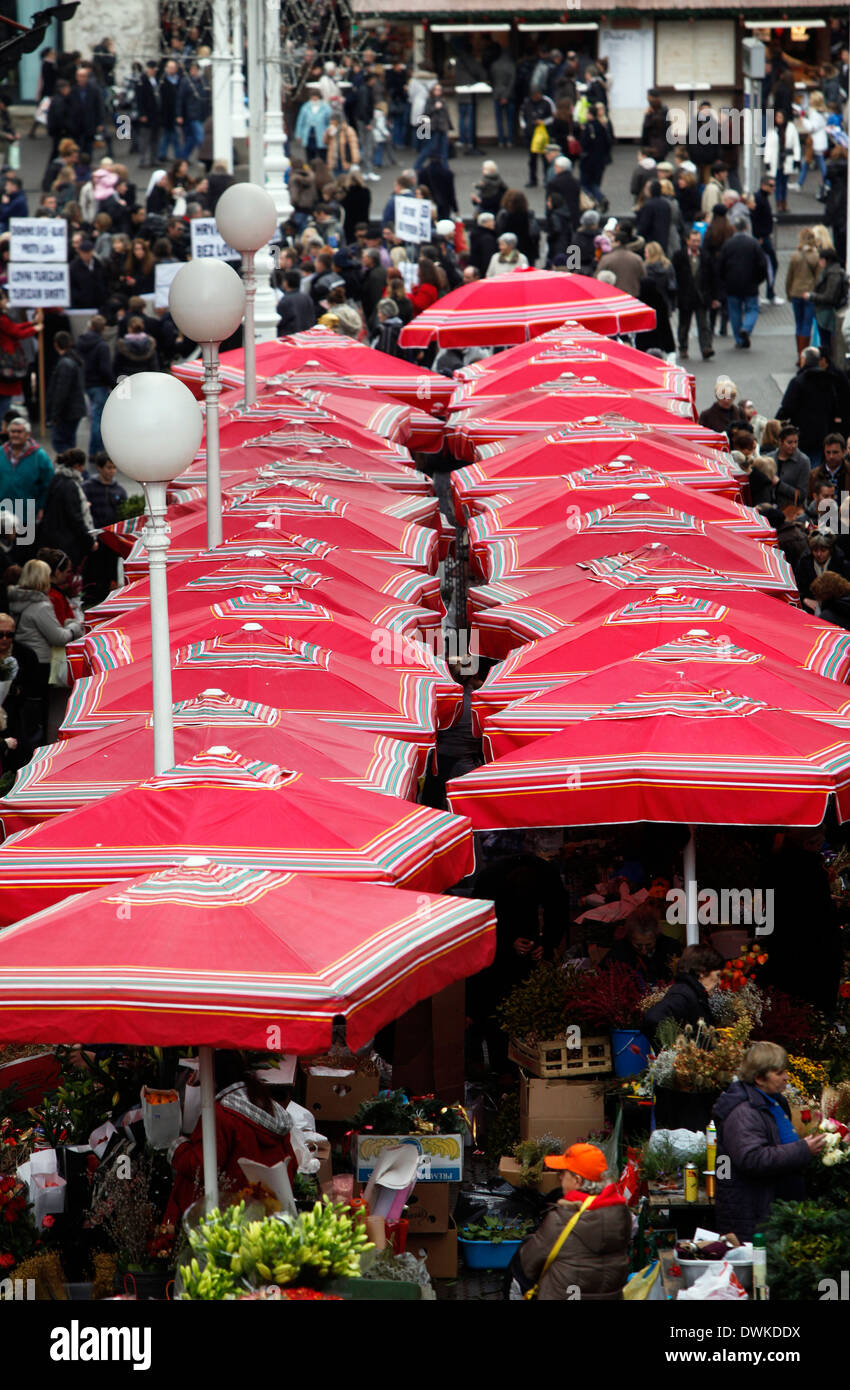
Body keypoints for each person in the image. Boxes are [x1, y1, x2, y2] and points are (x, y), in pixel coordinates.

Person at [164, 1051, 297, 1227]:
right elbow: (292, 1163)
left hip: (234, 1208)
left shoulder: (221, 1115)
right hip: (271, 1203)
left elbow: (202, 1166)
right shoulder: (265, 1102)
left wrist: (177, 1147)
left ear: (214, 1080)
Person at [712, 1042, 825, 1242]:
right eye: (779, 1072)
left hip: (772, 1205)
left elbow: (777, 1142)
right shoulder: (743, 1113)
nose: (787, 1077)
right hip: (752, 1213)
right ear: (759, 1078)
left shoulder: (773, 1101)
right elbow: (752, 1158)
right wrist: (802, 1149)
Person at [511, 1143, 630, 1301]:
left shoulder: (562, 1220)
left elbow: (529, 1266)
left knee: (517, 1267)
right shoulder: (621, 1214)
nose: (559, 1177)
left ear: (577, 1180)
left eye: (563, 1172)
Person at [6, 557, 84, 735]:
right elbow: (58, 637)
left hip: (20, 658)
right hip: (39, 663)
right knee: (39, 711)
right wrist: (73, 626)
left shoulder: (14, 600)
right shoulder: (41, 606)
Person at [778, 345, 850, 469]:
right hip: (823, 432)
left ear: (804, 360)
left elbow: (787, 407)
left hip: (803, 433)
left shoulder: (798, 381)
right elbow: (835, 406)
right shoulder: (829, 380)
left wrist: (776, 422)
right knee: (816, 464)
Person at [643, 944, 724, 1036]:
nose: (719, 982)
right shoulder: (683, 993)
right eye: (717, 975)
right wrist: (673, 1045)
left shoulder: (692, 993)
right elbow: (653, 1018)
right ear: (702, 972)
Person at [38, 447, 97, 568]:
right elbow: (75, 518)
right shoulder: (71, 486)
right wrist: (90, 541)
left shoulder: (56, 479)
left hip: (52, 538)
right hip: (67, 543)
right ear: (77, 466)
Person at [717, 218, 767, 349]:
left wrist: (724, 281)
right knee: (752, 308)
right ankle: (746, 328)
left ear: (734, 228)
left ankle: (739, 340)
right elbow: (762, 265)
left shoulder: (728, 244)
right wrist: (759, 280)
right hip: (750, 283)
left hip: (732, 284)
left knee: (735, 311)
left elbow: (720, 265)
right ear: (745, 228)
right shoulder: (753, 243)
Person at [0, 416, 52, 530]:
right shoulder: (1, 453)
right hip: (3, 511)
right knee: (5, 545)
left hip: (27, 512)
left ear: (28, 434)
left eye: (19, 431)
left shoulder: (39, 456)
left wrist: (43, 507)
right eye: (13, 431)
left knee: (25, 544)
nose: (15, 435)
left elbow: (48, 484)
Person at [75, 314, 114, 459]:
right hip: (98, 384)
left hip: (85, 383)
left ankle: (94, 451)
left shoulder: (79, 342)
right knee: (99, 419)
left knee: (93, 418)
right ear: (102, 329)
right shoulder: (102, 346)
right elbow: (105, 369)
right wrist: (112, 383)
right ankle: (96, 452)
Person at [673, 228, 713, 361]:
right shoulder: (679, 256)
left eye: (698, 241)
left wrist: (714, 296)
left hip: (702, 296)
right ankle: (683, 347)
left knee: (704, 324)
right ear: (687, 240)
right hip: (685, 297)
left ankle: (706, 347)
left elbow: (713, 277)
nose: (696, 243)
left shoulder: (706, 256)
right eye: (694, 241)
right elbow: (675, 276)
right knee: (684, 324)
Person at [45, 333, 86, 454]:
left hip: (66, 411)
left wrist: (54, 414)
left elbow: (61, 392)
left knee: (60, 443)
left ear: (56, 344)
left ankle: (72, 467)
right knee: (69, 442)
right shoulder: (74, 360)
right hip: (74, 409)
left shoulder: (64, 364)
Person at [804, 246, 846, 362]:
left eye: (821, 259)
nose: (819, 261)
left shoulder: (833, 274)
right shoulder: (830, 271)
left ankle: (827, 363)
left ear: (826, 260)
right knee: (826, 341)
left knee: (827, 342)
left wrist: (812, 296)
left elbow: (830, 296)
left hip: (827, 313)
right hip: (824, 312)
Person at [786, 227, 821, 359]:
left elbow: (789, 277)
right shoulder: (816, 256)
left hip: (795, 292)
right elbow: (818, 278)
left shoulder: (795, 255)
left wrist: (788, 292)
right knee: (807, 325)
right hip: (809, 294)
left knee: (798, 324)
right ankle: (803, 356)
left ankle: (798, 353)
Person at [65, 63, 106, 159]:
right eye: (80, 76)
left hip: (90, 124)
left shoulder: (94, 90)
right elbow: (68, 108)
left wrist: (99, 123)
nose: (82, 78)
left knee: (88, 147)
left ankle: (87, 164)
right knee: (76, 148)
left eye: (84, 76)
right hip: (76, 125)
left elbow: (99, 107)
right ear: (76, 77)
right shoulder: (73, 91)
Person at [795, 531, 849, 602]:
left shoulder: (842, 564)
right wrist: (804, 599)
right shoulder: (803, 563)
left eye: (823, 550)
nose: (819, 554)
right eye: (815, 550)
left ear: (830, 550)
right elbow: (798, 586)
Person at [763, 109, 800, 212]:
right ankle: (779, 202)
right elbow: (768, 146)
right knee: (777, 182)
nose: (778, 119)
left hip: (786, 158)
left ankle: (784, 202)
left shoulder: (791, 128)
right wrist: (767, 161)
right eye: (777, 117)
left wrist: (797, 159)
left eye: (780, 117)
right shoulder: (773, 130)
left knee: (784, 183)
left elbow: (796, 144)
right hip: (776, 160)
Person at [766, 422, 812, 505]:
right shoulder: (769, 458)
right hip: (769, 506)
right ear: (780, 442)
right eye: (790, 442)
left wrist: (779, 484)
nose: (793, 445)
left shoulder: (803, 461)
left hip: (790, 509)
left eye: (796, 442)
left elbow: (801, 495)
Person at [519, 87, 555, 189]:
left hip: (544, 135)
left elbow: (553, 116)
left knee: (546, 158)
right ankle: (532, 179)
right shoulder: (526, 103)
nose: (535, 98)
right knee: (532, 159)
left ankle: (547, 180)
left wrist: (543, 122)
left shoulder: (547, 102)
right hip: (531, 135)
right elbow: (522, 117)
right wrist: (525, 127)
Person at [579, 105, 612, 210]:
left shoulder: (587, 127)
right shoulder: (601, 126)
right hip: (600, 161)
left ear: (590, 114)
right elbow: (608, 142)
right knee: (595, 183)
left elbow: (584, 143)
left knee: (584, 184)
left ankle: (591, 201)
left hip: (588, 161)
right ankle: (600, 198)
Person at [495, 189, 539, 265]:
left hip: (508, 250)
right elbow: (535, 234)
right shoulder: (529, 215)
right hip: (527, 250)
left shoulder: (504, 215)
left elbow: (498, 231)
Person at [294, 88, 332, 163]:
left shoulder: (326, 108)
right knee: (309, 155)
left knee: (322, 155)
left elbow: (329, 122)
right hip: (309, 134)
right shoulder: (305, 107)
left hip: (321, 134)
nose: (314, 98)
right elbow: (300, 122)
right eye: (313, 96)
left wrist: (329, 135)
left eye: (316, 96)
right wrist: (299, 135)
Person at [69, 239, 108, 311]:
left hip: (98, 303)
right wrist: (78, 297)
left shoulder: (99, 264)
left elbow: (104, 282)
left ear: (92, 251)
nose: (86, 255)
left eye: (88, 252)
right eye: (84, 253)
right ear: (80, 252)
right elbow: (72, 285)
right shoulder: (73, 267)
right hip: (80, 304)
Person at [635, 179, 671, 254]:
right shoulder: (666, 204)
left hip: (650, 243)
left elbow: (644, 226)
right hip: (663, 241)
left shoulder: (648, 205)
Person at [490, 47, 516, 149]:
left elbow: (492, 80)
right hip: (509, 95)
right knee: (510, 120)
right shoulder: (511, 65)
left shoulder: (494, 65)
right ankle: (509, 140)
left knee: (499, 119)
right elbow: (512, 82)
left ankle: (500, 140)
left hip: (496, 93)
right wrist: (506, 96)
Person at [276, 270, 316, 336]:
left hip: (290, 337)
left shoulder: (286, 300)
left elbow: (280, 321)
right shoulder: (306, 297)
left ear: (286, 283)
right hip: (306, 335)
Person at [642, 241, 676, 316]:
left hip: (650, 304)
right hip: (665, 302)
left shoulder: (645, 268)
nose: (644, 255)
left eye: (646, 252)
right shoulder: (668, 265)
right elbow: (672, 287)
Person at [470, 211, 498, 277]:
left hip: (476, 269)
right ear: (485, 223)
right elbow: (487, 257)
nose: (494, 223)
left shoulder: (476, 233)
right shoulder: (488, 238)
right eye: (492, 221)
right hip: (484, 271)